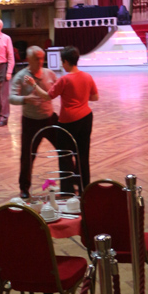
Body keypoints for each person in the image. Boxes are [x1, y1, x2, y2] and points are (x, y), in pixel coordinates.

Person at [9, 45, 58, 199]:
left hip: (50, 119)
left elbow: (58, 90)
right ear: (29, 60)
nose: (40, 61)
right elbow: (11, 97)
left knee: (65, 149)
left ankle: (71, 185)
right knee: (27, 156)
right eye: (37, 59)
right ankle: (24, 188)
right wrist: (25, 99)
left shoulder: (49, 73)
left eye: (42, 58)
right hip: (30, 121)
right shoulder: (21, 76)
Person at [47, 46, 98, 191]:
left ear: (67, 61)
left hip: (68, 122)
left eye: (62, 62)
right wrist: (80, 98)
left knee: (65, 155)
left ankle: (68, 189)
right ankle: (85, 189)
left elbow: (48, 96)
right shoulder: (87, 76)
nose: (62, 65)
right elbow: (95, 97)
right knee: (83, 155)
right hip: (86, 118)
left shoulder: (64, 79)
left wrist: (33, 85)